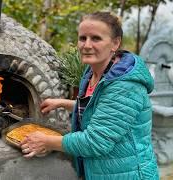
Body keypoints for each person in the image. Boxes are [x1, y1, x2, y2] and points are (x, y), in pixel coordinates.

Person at [20, 11, 159, 180]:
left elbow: (95, 141)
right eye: (82, 38)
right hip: (102, 171)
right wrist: (62, 103)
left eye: (96, 38)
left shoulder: (125, 86)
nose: (86, 45)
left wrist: (47, 141)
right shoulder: (93, 71)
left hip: (128, 173)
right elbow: (98, 106)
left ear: (115, 43)